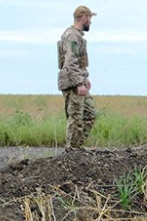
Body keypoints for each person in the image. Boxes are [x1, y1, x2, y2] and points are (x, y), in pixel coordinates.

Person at [58, 6, 98, 150]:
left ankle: (76, 148)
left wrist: (84, 78)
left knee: (89, 114)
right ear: (83, 17)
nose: (90, 22)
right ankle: (72, 151)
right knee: (76, 117)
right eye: (90, 18)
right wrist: (78, 83)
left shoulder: (77, 36)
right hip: (72, 83)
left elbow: (77, 62)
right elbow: (70, 61)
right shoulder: (72, 36)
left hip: (77, 80)